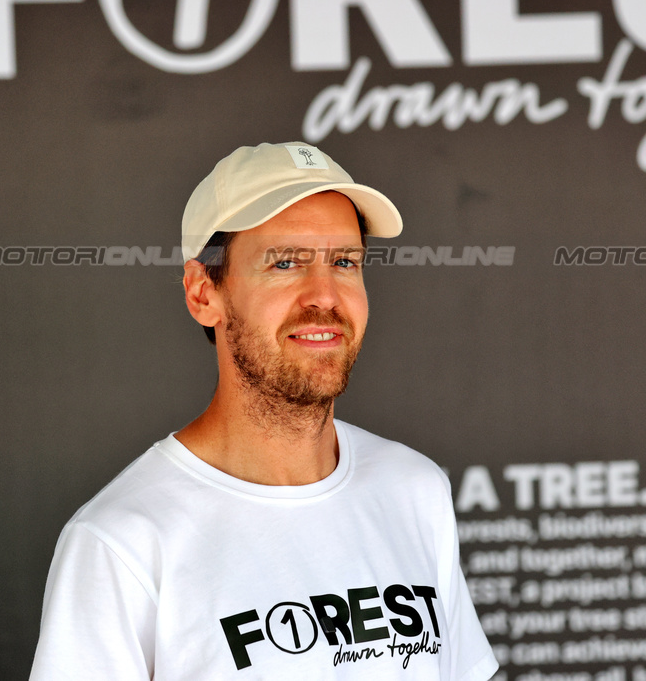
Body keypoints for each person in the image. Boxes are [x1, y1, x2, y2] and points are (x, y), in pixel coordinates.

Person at [29, 142, 498, 681]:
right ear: (203, 294)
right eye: (285, 263)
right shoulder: (122, 542)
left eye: (344, 262)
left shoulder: (413, 488)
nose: (325, 296)